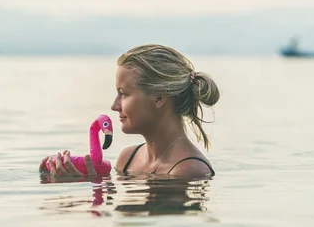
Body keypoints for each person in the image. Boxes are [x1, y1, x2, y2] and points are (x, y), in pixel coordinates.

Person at [39, 44, 220, 178]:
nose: (114, 106)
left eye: (123, 94)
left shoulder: (189, 170)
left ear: (159, 98)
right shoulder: (127, 159)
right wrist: (84, 180)